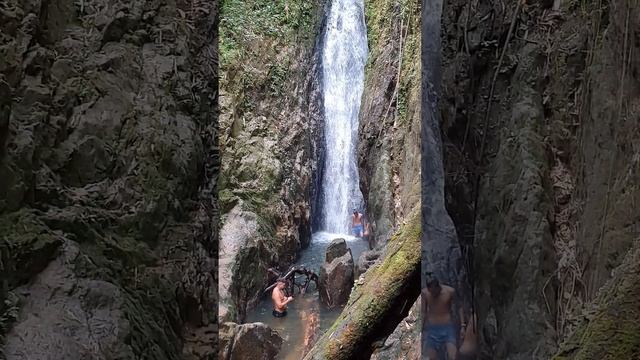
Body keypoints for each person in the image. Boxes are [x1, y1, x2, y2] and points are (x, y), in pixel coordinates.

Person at [422, 277, 463, 360]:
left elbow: (460, 307)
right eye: (430, 291)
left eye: (434, 292)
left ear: (438, 287)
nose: (432, 294)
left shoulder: (450, 291)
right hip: (432, 328)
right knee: (432, 358)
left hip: (447, 327)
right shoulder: (425, 293)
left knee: (453, 356)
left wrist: (463, 325)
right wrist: (422, 329)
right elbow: (423, 312)